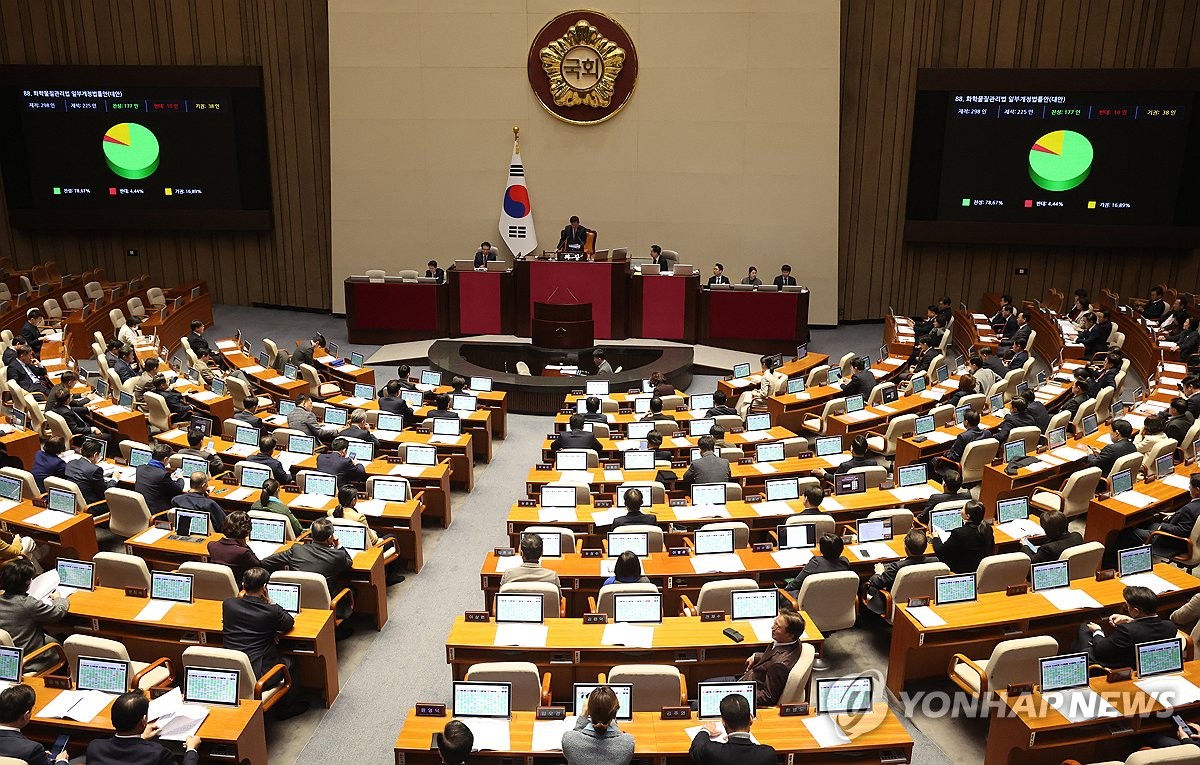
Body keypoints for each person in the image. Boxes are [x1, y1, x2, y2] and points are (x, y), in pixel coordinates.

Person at [85, 691, 201, 765]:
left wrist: (141, 739)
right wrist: (191, 749)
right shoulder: (157, 753)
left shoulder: (95, 747)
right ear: (143, 720)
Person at [261, 519, 353, 611]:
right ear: (330, 538)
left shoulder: (297, 550)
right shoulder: (337, 556)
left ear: (312, 535)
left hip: (295, 603)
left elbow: (265, 562)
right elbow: (349, 562)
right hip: (326, 605)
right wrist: (338, 545)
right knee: (352, 589)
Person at [1075, 586, 1176, 670]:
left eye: (1127, 606)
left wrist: (1098, 631)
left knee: (1085, 628)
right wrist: (1131, 620)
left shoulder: (1127, 631)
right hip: (1144, 665)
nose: (1126, 608)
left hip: (1116, 666)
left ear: (1136, 611)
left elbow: (1100, 651)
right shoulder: (1170, 627)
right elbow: (1147, 627)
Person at [0, 559, 68, 673]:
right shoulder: (28, 604)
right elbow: (58, 612)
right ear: (27, 583)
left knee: (54, 636)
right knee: (62, 642)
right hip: (31, 661)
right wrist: (60, 599)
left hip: (7, 659)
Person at [1118, 473, 1200, 558]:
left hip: (1172, 541)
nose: (1189, 488)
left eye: (1190, 486)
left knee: (1129, 533)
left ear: (1197, 490)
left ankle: (1120, 562)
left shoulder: (1189, 509)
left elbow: (1181, 531)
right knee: (1147, 523)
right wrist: (1175, 514)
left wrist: (1162, 527)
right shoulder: (1194, 506)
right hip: (1180, 534)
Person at [737, 610, 807, 706]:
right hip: (751, 678)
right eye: (775, 623)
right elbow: (775, 656)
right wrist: (757, 656)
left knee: (709, 684)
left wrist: (741, 696)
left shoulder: (779, 666)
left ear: (790, 635)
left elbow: (768, 697)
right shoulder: (794, 642)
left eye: (778, 627)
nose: (772, 628)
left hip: (748, 689)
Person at [689, 692, 777, 765]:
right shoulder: (768, 755)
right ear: (751, 719)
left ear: (723, 722)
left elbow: (696, 749)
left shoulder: (712, 751)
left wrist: (705, 730)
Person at [864, 529, 939, 614]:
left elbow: (877, 582)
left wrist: (878, 572)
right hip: (923, 602)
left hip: (894, 604)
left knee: (865, 585)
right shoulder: (935, 561)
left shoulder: (897, 567)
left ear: (906, 549)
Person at [561, 685, 635, 765]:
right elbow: (617, 734)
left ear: (588, 710)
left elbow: (576, 735)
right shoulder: (628, 743)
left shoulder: (568, 740)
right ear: (614, 712)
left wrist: (583, 714)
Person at [0, 683, 69, 764]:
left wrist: (40, 757)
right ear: (26, 715)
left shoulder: (31, 751)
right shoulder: (32, 749)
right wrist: (62, 760)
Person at [932, 501, 992, 574]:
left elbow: (940, 552)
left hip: (961, 570)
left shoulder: (959, 533)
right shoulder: (988, 528)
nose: (961, 510)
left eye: (963, 509)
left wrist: (935, 538)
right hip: (980, 568)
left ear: (967, 516)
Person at [787, 531, 852, 595]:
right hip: (836, 599)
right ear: (842, 548)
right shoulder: (844, 562)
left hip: (812, 601)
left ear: (821, 549)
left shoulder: (815, 563)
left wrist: (786, 587)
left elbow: (793, 585)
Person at [206, 511, 261, 585]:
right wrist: (245, 545)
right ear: (246, 531)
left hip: (215, 585)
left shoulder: (211, 546)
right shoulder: (243, 552)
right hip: (238, 588)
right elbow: (258, 566)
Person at [133, 444, 183, 513]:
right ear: (165, 459)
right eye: (169, 459)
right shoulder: (162, 475)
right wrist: (180, 478)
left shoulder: (140, 468)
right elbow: (178, 490)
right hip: (157, 513)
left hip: (140, 509)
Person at [65, 437, 115, 506]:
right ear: (95, 455)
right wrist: (114, 479)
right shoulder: (95, 470)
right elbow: (105, 492)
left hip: (74, 503)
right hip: (92, 506)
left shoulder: (70, 463)